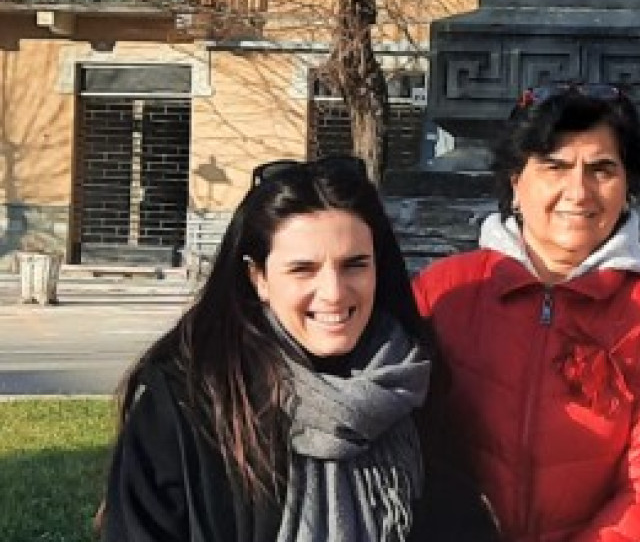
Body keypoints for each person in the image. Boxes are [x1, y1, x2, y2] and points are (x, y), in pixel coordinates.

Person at [103, 156, 486, 542]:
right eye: (303, 269)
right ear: (259, 278)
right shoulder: (191, 400)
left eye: (355, 265)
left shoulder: (417, 385)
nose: (334, 293)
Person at [415, 83, 640, 542]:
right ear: (516, 181)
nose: (579, 190)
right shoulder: (444, 292)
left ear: (628, 185)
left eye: (602, 169)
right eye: (555, 166)